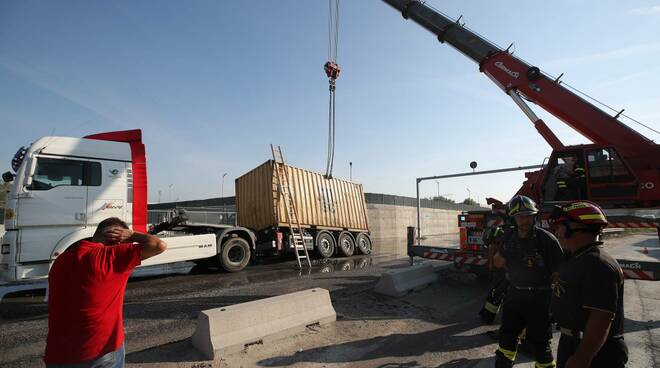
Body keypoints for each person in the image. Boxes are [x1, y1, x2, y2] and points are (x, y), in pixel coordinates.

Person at [44, 217, 167, 367]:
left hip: (57, 354)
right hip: (100, 351)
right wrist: (133, 235)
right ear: (118, 238)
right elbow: (158, 245)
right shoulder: (111, 257)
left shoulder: (61, 260)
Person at [549, 201, 628, 368]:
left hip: (595, 353)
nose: (557, 233)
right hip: (573, 342)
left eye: (560, 227)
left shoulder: (597, 264)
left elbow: (601, 318)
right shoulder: (579, 258)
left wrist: (582, 358)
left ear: (575, 228)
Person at [492, 195, 564, 368]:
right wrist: (501, 250)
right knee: (506, 341)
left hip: (540, 298)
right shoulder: (508, 237)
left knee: (540, 345)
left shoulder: (546, 240)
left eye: (528, 215)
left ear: (534, 216)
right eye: (520, 216)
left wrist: (558, 302)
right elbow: (498, 263)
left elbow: (560, 273)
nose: (524, 220)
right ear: (514, 218)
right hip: (515, 296)